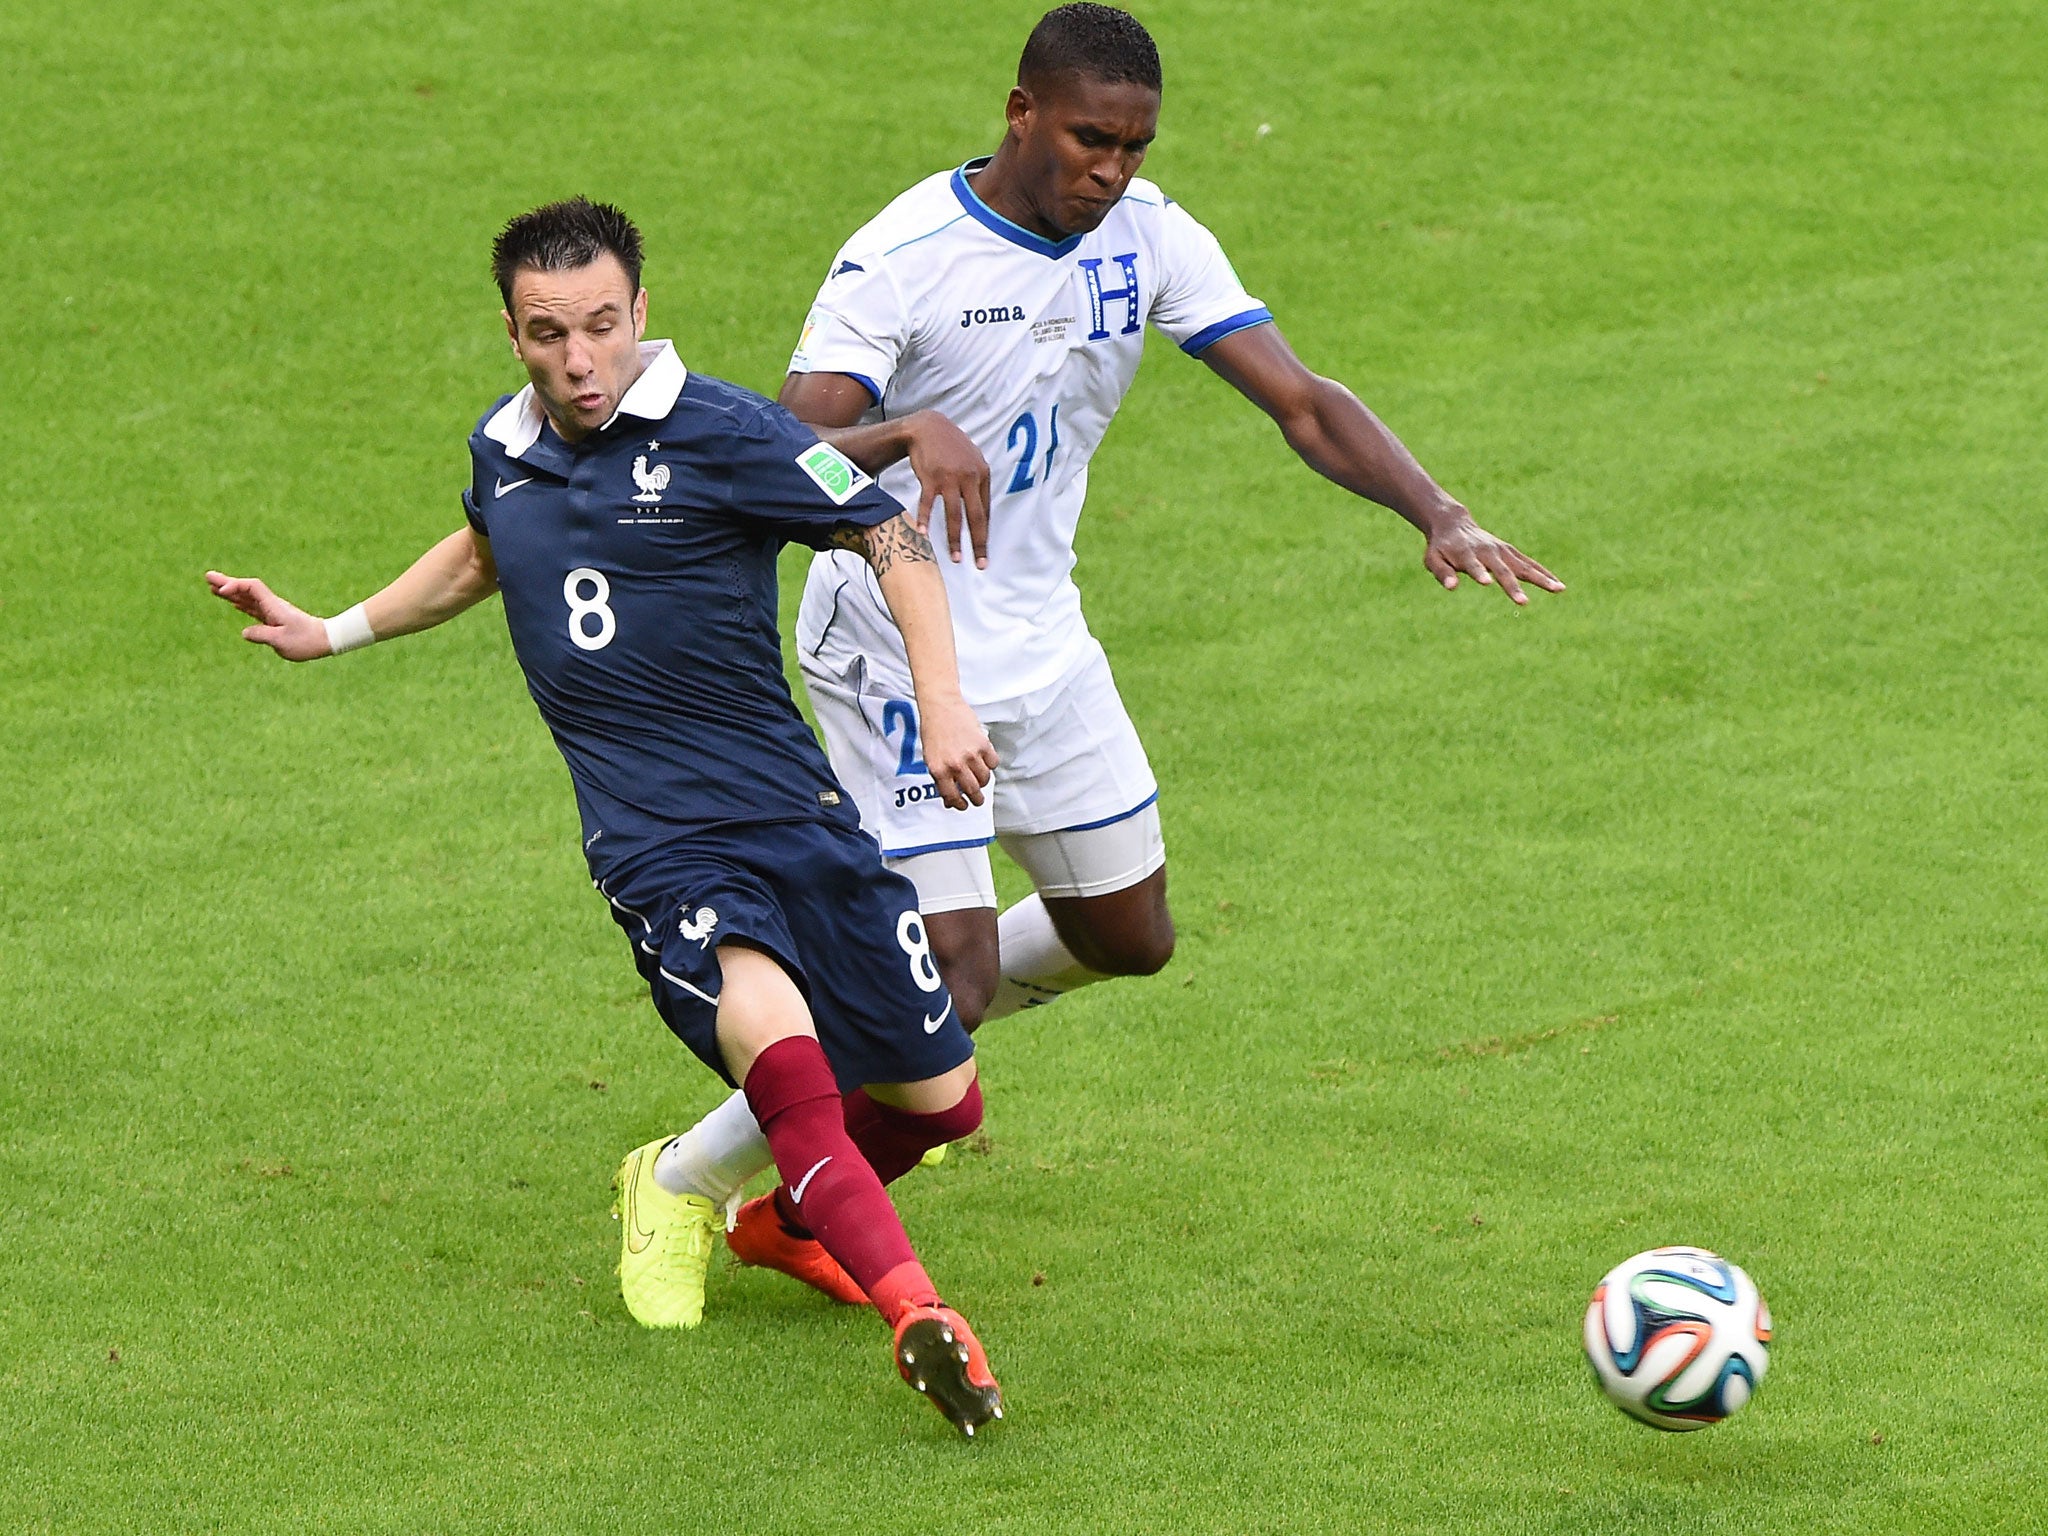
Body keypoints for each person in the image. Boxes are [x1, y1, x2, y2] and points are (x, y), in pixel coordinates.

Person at [655, 2, 1565, 1317]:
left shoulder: (1148, 238)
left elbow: (1300, 399)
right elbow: (769, 464)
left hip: (1040, 642)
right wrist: (910, 431)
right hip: (896, 653)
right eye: (1091, 140)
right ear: (1022, 112)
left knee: (1125, 934)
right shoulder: (900, 259)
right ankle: (692, 1179)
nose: (1113, 170)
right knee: (949, 981)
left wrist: (1437, 510)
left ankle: (797, 1206)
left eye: (1134, 147)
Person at [204, 198, 1007, 1437]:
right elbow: (480, 553)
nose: (577, 362)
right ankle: (917, 1311)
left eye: (596, 328)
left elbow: (888, 534)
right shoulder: (502, 447)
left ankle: (768, 1222)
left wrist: (942, 702)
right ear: (512, 332)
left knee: (941, 1100)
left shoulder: (727, 431)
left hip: (795, 815)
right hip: (657, 842)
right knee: (785, 1065)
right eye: (544, 335)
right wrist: (332, 629)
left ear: (638, 312)